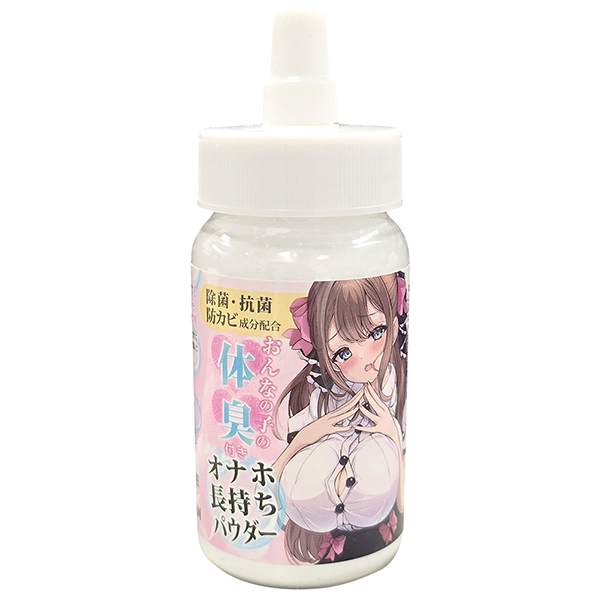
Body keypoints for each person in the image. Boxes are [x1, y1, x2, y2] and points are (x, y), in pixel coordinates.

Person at [272, 273, 408, 563]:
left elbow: (400, 497)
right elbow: (264, 489)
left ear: (394, 327)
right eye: (344, 352)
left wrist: (392, 433)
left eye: (377, 333)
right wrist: (305, 437)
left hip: (372, 536)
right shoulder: (320, 398)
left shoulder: (392, 383)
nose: (364, 358)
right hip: (316, 536)